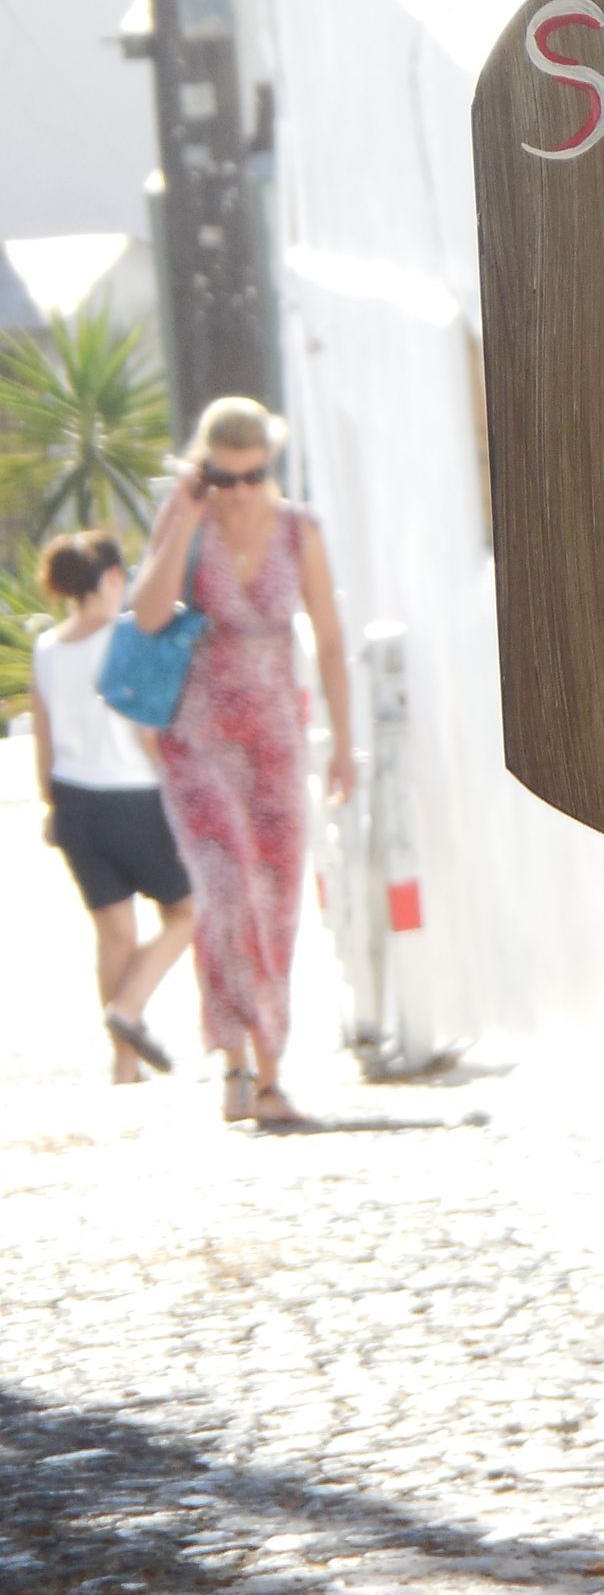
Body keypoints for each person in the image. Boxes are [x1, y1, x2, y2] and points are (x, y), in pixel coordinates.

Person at [131, 396, 355, 1126]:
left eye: (253, 475)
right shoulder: (187, 522)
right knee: (225, 890)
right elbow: (150, 615)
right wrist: (186, 518)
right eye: (224, 477)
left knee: (277, 895)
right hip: (197, 740)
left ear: (271, 466)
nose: (241, 490)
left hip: (275, 739)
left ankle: (269, 1071)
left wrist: (343, 744)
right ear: (203, 472)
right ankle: (233, 1061)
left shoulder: (300, 531)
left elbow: (327, 640)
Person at [31, 530, 197, 1084]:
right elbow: (148, 731)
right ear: (108, 579)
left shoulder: (48, 649)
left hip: (74, 803)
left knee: (115, 934)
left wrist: (53, 808)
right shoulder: (127, 638)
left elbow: (44, 741)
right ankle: (128, 1008)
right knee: (186, 912)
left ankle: (125, 1065)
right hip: (133, 796)